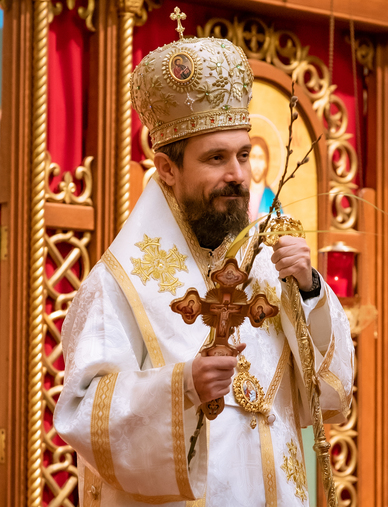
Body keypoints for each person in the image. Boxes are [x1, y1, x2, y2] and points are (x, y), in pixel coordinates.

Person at [54, 9, 353, 507]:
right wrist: (181, 388)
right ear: (167, 168)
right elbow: (84, 413)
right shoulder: (119, 282)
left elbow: (330, 396)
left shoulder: (267, 264)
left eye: (243, 155)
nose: (237, 174)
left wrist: (309, 290)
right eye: (216, 158)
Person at [249, 136, 281, 221]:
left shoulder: (273, 200)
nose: (257, 163)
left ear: (266, 162)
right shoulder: (239, 197)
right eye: (253, 157)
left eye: (261, 157)